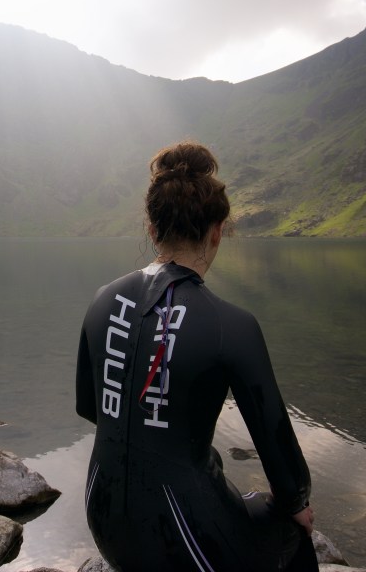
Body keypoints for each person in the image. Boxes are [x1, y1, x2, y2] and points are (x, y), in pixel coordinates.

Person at [76, 141, 316, 572]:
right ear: (217, 230)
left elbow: (95, 410)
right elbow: (281, 455)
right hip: (183, 540)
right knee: (287, 528)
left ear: (151, 229)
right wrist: (297, 505)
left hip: (102, 517)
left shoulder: (101, 300)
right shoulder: (231, 324)